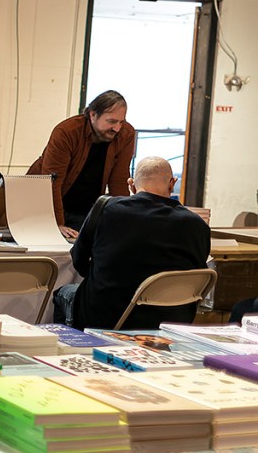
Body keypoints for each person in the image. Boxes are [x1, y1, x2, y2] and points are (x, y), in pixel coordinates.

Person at [52, 156, 210, 331]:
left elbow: (78, 260)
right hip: (171, 322)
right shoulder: (197, 225)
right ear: (172, 183)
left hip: (107, 318)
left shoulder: (106, 208)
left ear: (131, 185)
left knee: (63, 293)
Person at [28, 90, 136, 238]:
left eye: (121, 122)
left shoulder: (126, 134)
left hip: (86, 210)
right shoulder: (67, 132)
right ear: (93, 115)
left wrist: (123, 222)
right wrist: (56, 224)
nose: (117, 128)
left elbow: (119, 180)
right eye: (111, 121)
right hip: (47, 206)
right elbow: (52, 181)